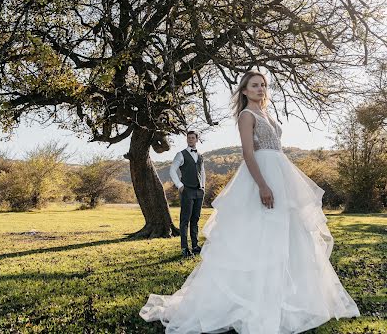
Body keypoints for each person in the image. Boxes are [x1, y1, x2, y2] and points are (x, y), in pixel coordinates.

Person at [140, 71, 360, 333]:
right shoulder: (247, 116)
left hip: (281, 173)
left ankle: (289, 296)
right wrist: (262, 185)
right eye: (254, 85)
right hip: (261, 176)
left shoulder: (269, 114)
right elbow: (247, 152)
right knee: (259, 235)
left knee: (289, 234)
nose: (260, 89)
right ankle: (253, 298)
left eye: (263, 85)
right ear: (244, 90)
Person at [169, 130, 206, 258]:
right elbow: (172, 170)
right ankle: (185, 248)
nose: (190, 140)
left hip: (198, 191)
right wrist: (179, 185)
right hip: (187, 190)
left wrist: (203, 187)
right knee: (185, 220)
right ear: (187, 140)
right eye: (188, 138)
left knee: (195, 219)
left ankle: (195, 246)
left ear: (196, 139)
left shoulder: (201, 156)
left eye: (192, 138)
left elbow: (202, 173)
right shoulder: (181, 154)